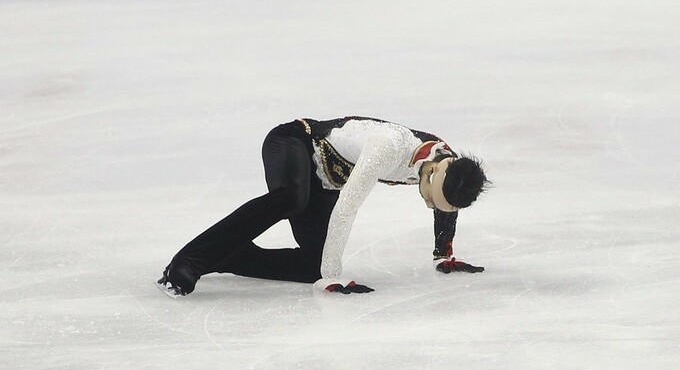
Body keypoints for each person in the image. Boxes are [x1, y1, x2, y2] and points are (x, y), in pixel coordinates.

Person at [156, 116, 489, 297]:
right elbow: (347, 208)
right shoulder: (389, 147)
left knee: (313, 264)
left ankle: (228, 255)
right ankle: (189, 261)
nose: (429, 203)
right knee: (291, 196)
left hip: (324, 182)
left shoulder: (446, 162)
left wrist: (443, 253)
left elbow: (449, 200)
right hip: (294, 142)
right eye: (430, 196)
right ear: (433, 170)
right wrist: (332, 279)